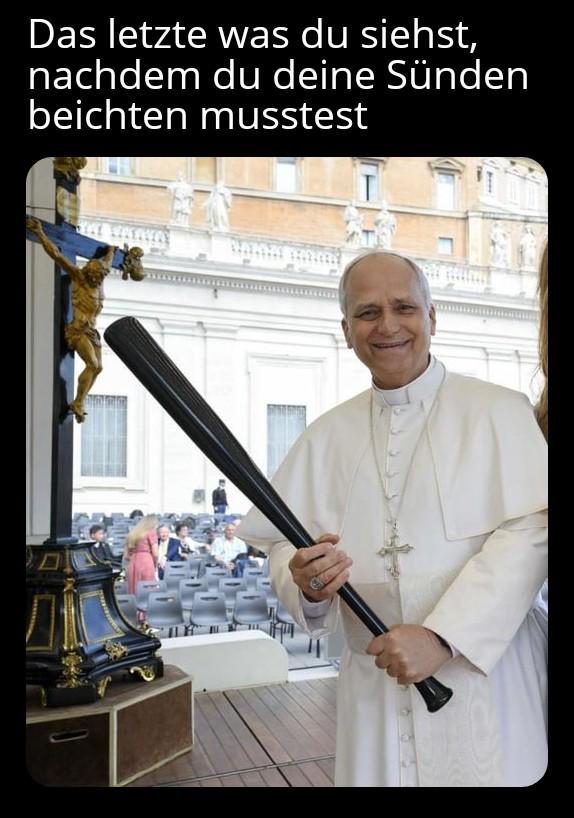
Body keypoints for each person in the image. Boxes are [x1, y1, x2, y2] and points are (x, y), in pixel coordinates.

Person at [239, 249, 547, 787]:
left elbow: (533, 529)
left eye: (404, 307)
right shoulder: (324, 436)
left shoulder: (499, 410)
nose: (387, 326)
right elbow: (284, 545)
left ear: (432, 316)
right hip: (374, 684)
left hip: (487, 675)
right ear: (346, 330)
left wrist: (444, 637)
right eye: (367, 312)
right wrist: (306, 582)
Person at [26, 217, 118, 423]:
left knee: (99, 368)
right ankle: (78, 402)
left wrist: (111, 251)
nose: (97, 280)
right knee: (92, 364)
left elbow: (107, 263)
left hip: (91, 331)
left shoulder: (99, 278)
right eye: (95, 277)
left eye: (100, 277)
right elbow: (57, 255)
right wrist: (40, 233)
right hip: (77, 330)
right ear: (89, 273)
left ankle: (79, 401)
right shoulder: (79, 277)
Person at [124, 515, 159, 596]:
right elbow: (155, 553)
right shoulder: (151, 532)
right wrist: (155, 564)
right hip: (146, 561)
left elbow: (126, 556)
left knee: (133, 587)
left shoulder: (133, 533)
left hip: (133, 562)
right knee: (148, 587)